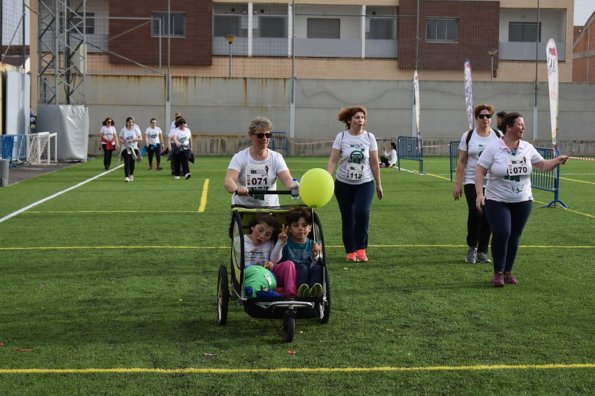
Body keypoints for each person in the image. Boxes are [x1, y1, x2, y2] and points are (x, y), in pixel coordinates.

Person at [475, 112, 569, 287]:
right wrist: (480, 194)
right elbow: (480, 171)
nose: (523, 128)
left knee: (514, 236)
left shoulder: (527, 147)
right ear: (509, 127)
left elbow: (542, 165)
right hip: (497, 200)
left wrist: (556, 160)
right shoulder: (494, 147)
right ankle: (498, 273)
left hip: (523, 201)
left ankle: (508, 272)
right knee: (502, 232)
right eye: (520, 125)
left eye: (523, 125)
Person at [326, 106, 383, 262]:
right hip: (343, 184)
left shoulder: (369, 137)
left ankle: (361, 248)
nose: (361, 120)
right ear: (349, 120)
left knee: (362, 213)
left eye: (363, 117)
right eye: (357, 117)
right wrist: (327, 178)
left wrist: (378, 184)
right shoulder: (342, 137)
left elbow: (374, 162)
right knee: (348, 217)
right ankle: (350, 251)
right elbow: (333, 160)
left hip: (365, 183)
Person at [453, 104, 502, 264]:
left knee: (488, 215)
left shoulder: (497, 135)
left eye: (488, 116)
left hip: (492, 182)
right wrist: (458, 184)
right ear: (476, 118)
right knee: (476, 211)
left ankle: (482, 251)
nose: (485, 119)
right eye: (482, 116)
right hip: (471, 180)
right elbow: (461, 162)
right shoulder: (468, 136)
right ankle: (472, 248)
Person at [224, 116, 298, 207]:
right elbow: (229, 180)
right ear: (251, 136)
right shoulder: (239, 157)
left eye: (268, 135)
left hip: (271, 208)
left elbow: (287, 179)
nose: (265, 138)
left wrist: (296, 187)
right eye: (260, 135)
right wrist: (237, 189)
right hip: (244, 208)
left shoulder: (276, 157)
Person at [243, 214, 297, 298]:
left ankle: (290, 295)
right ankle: (265, 291)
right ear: (252, 227)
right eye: (260, 230)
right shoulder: (241, 240)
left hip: (268, 274)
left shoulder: (269, 243)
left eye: (267, 234)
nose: (262, 236)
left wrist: (280, 243)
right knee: (257, 272)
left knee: (289, 264)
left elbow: (274, 260)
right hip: (249, 274)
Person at [280, 207, 323, 299]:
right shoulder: (286, 243)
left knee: (318, 268)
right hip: (292, 276)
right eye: (296, 225)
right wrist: (280, 244)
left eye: (304, 225)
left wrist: (317, 254)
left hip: (309, 274)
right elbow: (278, 259)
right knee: (302, 267)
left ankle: (314, 291)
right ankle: (301, 291)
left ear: (310, 228)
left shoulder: (313, 244)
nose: (300, 229)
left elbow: (315, 261)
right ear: (290, 229)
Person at [118, 116, 142, 182]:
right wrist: (122, 141)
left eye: (131, 122)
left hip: (134, 148)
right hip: (125, 147)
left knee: (132, 162)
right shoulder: (123, 130)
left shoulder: (136, 129)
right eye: (129, 122)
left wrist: (134, 140)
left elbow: (140, 138)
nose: (130, 123)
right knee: (127, 161)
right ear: (127, 123)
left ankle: (131, 174)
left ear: (133, 123)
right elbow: (120, 138)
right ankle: (126, 176)